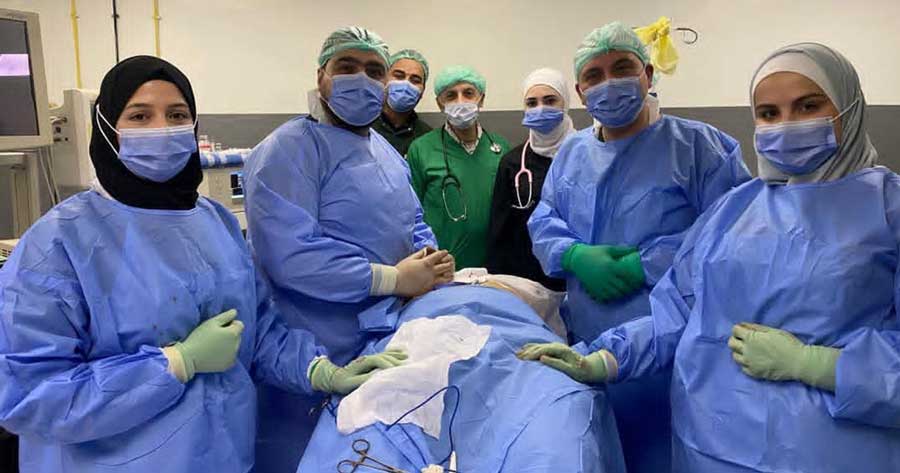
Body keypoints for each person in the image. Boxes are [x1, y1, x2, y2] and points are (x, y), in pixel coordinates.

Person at [0, 56, 403, 473]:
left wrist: (319, 370)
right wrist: (175, 364)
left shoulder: (215, 222)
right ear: (107, 128)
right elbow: (28, 396)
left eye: (177, 115)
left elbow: (257, 330)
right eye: (140, 116)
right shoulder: (57, 246)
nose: (162, 128)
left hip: (225, 456)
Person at [520, 42, 900, 473]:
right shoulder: (736, 209)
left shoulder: (888, 212)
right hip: (708, 448)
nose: (786, 124)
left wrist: (822, 366)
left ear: (849, 107)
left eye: (808, 106)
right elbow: (680, 309)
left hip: (831, 453)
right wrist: (604, 358)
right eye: (769, 113)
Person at [526, 22, 751, 473]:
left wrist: (645, 264)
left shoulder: (700, 148)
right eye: (594, 75)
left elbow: (733, 236)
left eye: (622, 68)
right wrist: (573, 255)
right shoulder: (571, 153)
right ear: (580, 92)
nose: (609, 83)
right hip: (586, 339)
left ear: (648, 74)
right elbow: (545, 218)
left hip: (676, 347)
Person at [243, 27, 453, 473]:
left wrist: (429, 260)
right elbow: (293, 257)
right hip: (312, 350)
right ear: (321, 77)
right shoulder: (286, 151)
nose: (362, 78)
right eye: (347, 67)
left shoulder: (383, 150)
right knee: (307, 459)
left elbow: (411, 218)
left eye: (374, 70)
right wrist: (393, 279)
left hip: (381, 339)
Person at [407, 65, 511, 269]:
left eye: (468, 93)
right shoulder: (421, 149)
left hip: (494, 265)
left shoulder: (501, 148)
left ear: (481, 99)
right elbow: (411, 215)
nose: (460, 101)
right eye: (451, 96)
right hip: (441, 265)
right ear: (440, 103)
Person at [486, 68, 574, 291]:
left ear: (565, 103)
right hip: (528, 279)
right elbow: (500, 232)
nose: (540, 108)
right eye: (532, 103)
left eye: (550, 100)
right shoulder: (513, 162)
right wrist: (501, 284)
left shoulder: (585, 153)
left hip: (578, 274)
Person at [371, 49, 433, 155]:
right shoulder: (362, 125)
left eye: (415, 80)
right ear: (384, 80)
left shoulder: (427, 138)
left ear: (422, 91)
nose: (406, 84)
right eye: (399, 76)